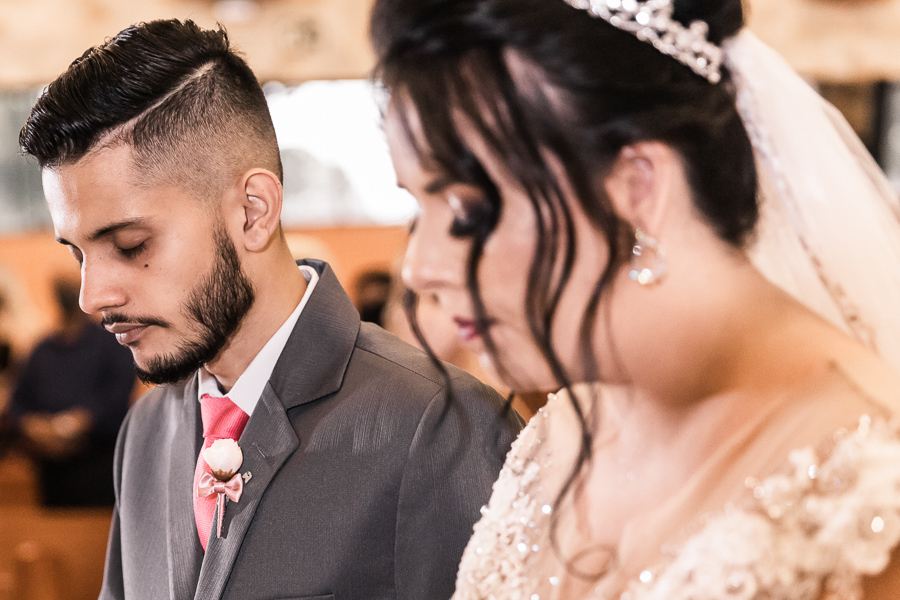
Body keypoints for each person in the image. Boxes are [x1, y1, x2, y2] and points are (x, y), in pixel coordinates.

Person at [371, 0, 900, 598]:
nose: (418, 269)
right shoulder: (562, 430)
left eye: (466, 210)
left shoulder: (865, 486)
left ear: (636, 185)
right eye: (420, 206)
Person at [20, 19, 519, 600]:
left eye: (132, 246)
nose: (92, 296)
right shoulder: (146, 432)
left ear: (254, 212)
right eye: (78, 253)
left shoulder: (440, 428)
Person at [8, 276, 135, 507]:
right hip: (49, 467)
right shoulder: (43, 348)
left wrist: (82, 421)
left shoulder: (109, 343)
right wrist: (34, 425)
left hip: (98, 462)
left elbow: (118, 394)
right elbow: (18, 402)